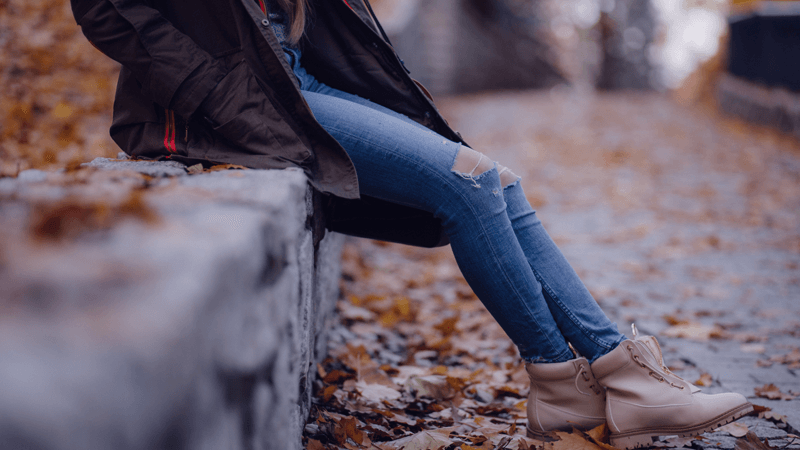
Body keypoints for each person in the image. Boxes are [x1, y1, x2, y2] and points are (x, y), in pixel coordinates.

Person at [70, 0, 752, 447]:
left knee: (496, 180)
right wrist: (211, 92)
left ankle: (613, 378)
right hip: (227, 102)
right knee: (470, 182)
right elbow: (105, 11)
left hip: (297, 77)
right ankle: (566, 379)